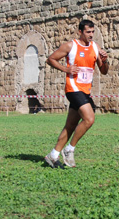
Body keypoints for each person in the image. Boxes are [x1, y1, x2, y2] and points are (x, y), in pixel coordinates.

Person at [44, 19, 109, 168]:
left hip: (85, 90)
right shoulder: (70, 46)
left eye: (93, 32)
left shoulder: (95, 47)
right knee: (89, 119)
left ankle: (53, 155)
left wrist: (105, 61)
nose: (91, 35)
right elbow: (50, 59)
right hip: (73, 88)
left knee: (71, 125)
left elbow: (104, 72)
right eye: (88, 32)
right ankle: (69, 149)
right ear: (80, 32)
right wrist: (65, 69)